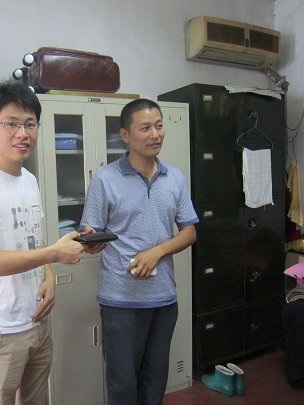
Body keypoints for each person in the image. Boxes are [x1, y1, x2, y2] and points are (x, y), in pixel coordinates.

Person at [0, 81, 98, 405]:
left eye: (31, 124)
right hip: (0, 329)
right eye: (12, 124)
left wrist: (49, 276)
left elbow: (32, 236)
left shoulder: (28, 180)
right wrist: (53, 254)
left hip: (37, 320)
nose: (23, 133)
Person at [80, 98, 199, 405]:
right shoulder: (105, 179)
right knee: (122, 384)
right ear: (125, 135)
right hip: (120, 300)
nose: (154, 134)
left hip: (163, 298)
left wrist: (156, 252)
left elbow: (189, 232)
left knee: (155, 381)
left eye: (158, 126)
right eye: (145, 128)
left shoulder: (174, 177)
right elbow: (91, 234)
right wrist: (91, 243)